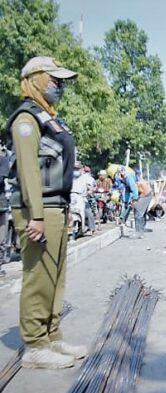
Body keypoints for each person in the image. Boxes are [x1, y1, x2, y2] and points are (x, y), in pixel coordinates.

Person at [4, 56, 86, 369]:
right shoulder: (26, 120)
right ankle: (35, 346)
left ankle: (52, 336)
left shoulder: (47, 116)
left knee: (55, 275)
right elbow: (27, 172)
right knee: (38, 276)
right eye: (55, 80)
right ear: (36, 79)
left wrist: (62, 208)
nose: (60, 86)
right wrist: (36, 215)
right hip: (36, 209)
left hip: (55, 206)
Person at [70, 161, 96, 235]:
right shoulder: (69, 176)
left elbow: (91, 186)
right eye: (74, 169)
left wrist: (90, 190)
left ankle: (91, 229)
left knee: (88, 212)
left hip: (81, 197)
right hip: (71, 197)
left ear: (81, 169)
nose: (76, 170)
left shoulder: (85, 177)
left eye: (77, 169)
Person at [118, 166, 139, 231]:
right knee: (127, 206)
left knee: (135, 209)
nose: (121, 173)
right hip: (131, 192)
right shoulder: (123, 179)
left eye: (122, 171)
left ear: (124, 171)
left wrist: (135, 199)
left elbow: (134, 189)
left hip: (137, 192)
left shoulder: (129, 178)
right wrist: (126, 201)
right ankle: (123, 220)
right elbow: (127, 190)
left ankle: (138, 226)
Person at [133, 172, 153, 239]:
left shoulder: (137, 183)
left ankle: (139, 232)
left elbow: (136, 192)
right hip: (148, 194)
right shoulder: (140, 181)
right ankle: (141, 229)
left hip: (145, 195)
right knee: (142, 213)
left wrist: (134, 200)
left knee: (138, 214)